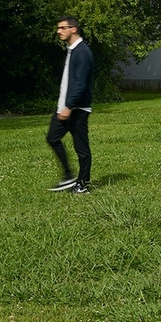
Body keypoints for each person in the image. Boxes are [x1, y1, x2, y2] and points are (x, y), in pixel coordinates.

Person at [46, 15, 94, 193]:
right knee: (52, 138)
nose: (58, 31)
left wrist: (69, 106)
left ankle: (83, 184)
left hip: (77, 108)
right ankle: (68, 176)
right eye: (58, 28)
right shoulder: (72, 50)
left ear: (73, 29)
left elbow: (80, 83)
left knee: (81, 147)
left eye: (62, 28)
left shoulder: (82, 52)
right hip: (65, 106)